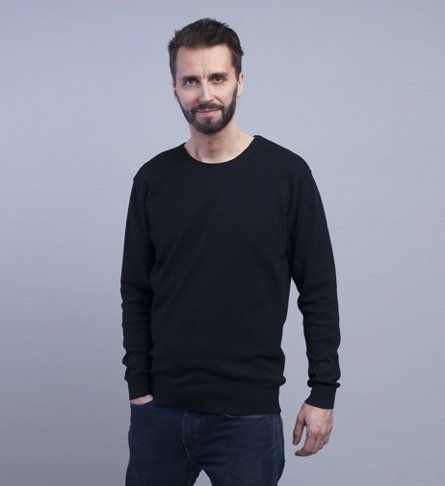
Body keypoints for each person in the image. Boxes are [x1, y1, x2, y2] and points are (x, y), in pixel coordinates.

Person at [120, 17, 341, 486]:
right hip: (161, 414)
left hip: (247, 420)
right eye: (191, 81)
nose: (206, 94)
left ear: (240, 81)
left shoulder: (287, 176)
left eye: (217, 78)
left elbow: (318, 291)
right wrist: (139, 389)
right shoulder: (153, 180)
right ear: (175, 89)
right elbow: (135, 290)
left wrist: (323, 391)